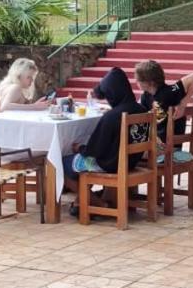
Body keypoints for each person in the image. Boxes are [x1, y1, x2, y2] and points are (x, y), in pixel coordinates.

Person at [63, 69, 149, 213]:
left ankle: (99, 203)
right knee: (78, 162)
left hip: (111, 164)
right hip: (131, 161)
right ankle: (81, 202)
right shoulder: (141, 110)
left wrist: (79, 148)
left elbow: (94, 151)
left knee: (58, 164)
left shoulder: (112, 116)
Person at [135, 61, 193, 139]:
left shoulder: (170, 91)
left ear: (150, 82)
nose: (136, 82)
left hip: (167, 144)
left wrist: (183, 103)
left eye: (138, 80)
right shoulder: (145, 96)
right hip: (155, 142)